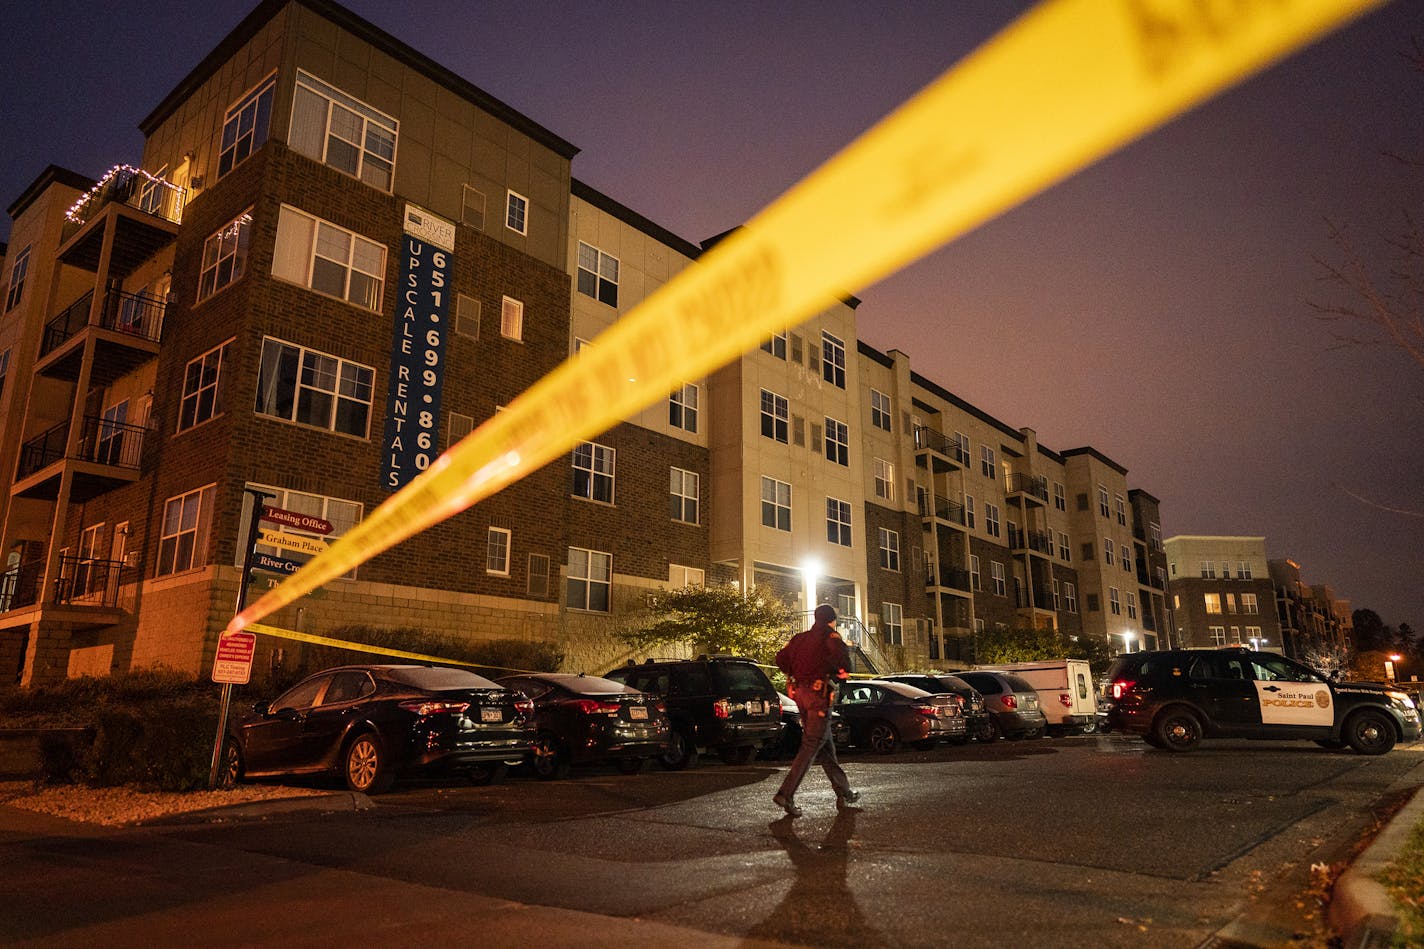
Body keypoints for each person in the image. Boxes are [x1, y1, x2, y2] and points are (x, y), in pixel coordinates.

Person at [772, 604, 859, 817]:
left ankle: (843, 791)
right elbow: (844, 664)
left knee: (824, 744)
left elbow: (780, 659)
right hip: (818, 695)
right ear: (832, 620)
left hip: (800, 694)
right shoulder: (831, 636)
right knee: (812, 743)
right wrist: (831, 669)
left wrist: (795, 671)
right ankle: (786, 793)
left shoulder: (799, 638)